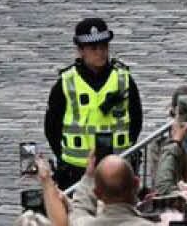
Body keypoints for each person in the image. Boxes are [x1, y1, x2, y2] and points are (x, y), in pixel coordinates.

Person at [45, 18, 143, 190]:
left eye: (104, 47)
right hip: (75, 170)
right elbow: (52, 127)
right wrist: (65, 157)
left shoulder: (123, 79)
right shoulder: (67, 82)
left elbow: (136, 120)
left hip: (117, 167)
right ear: (81, 51)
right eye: (94, 48)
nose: (101, 53)